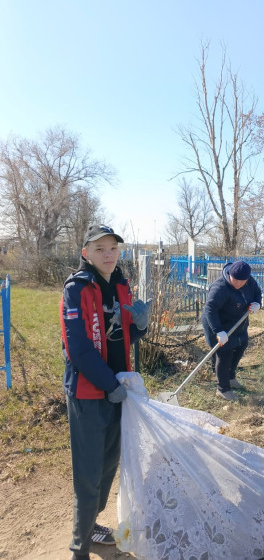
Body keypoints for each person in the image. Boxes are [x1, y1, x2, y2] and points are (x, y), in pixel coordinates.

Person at [60, 224, 152, 560]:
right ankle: (79, 549)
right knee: (87, 475)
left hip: (118, 391)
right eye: (99, 249)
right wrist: (110, 384)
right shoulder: (77, 289)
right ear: (86, 253)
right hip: (89, 394)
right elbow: (79, 349)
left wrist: (140, 326)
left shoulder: (122, 285)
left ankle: (91, 526)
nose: (108, 254)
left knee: (107, 465)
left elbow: (122, 337)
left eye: (112, 248)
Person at [202, 260, 262, 401]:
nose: (238, 284)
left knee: (241, 345)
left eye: (242, 282)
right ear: (230, 274)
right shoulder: (220, 287)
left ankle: (230, 377)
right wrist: (218, 331)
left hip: (238, 322)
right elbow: (210, 310)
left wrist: (257, 302)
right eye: (235, 280)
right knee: (224, 353)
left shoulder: (249, 280)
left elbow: (257, 292)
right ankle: (223, 389)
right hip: (217, 324)